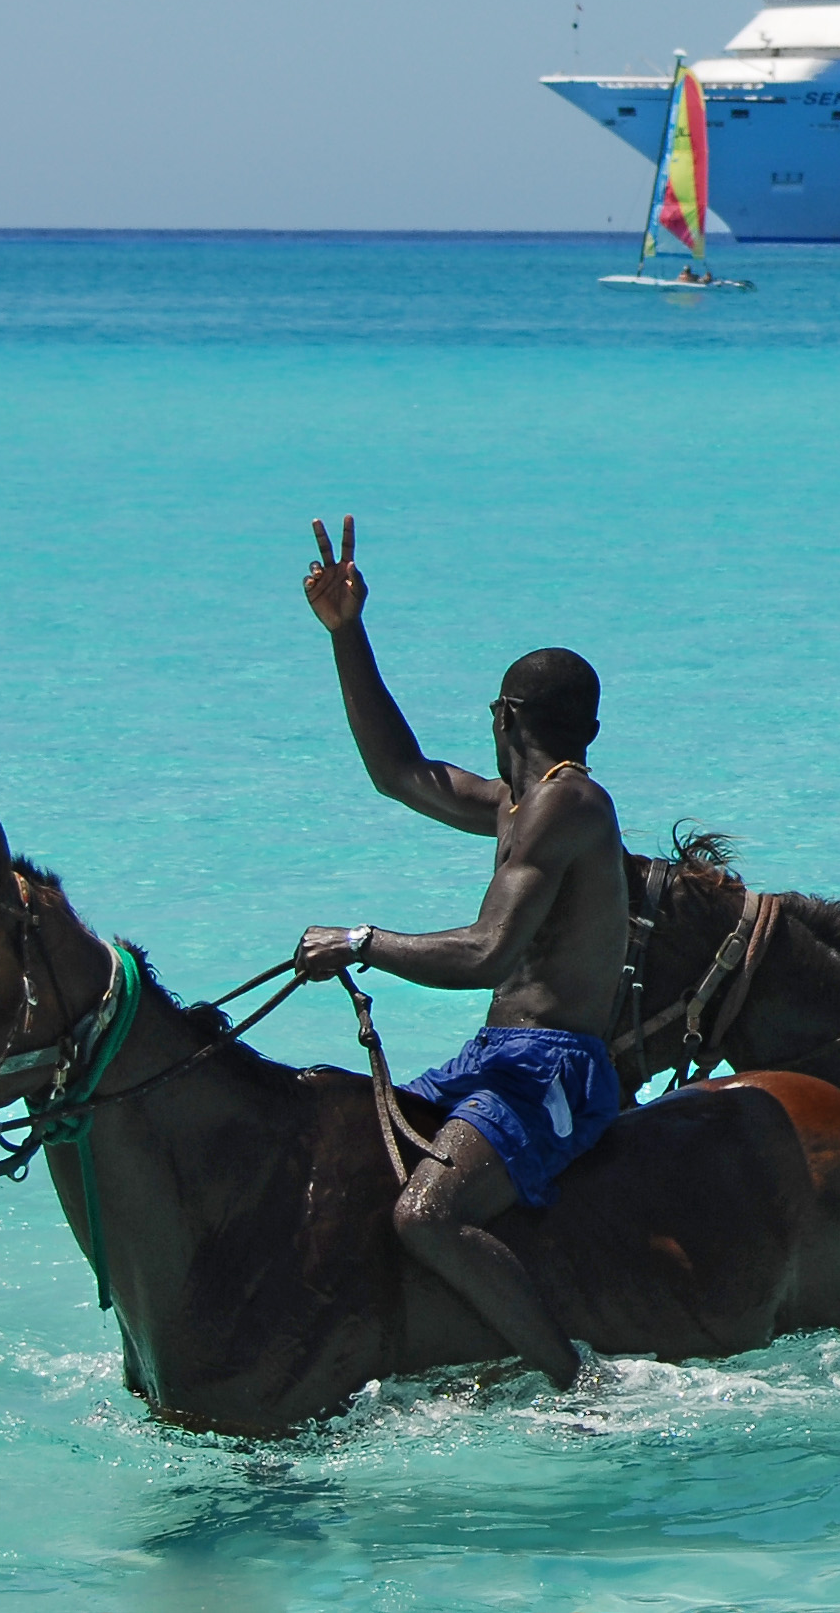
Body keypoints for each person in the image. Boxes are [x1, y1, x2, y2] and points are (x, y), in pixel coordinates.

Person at [289, 516, 636, 1388]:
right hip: (495, 1057)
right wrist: (347, 633)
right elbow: (399, 771)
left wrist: (362, 942)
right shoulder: (517, 803)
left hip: (555, 1070)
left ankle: (573, 1385)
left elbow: (486, 953)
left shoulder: (569, 805)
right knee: (367, 1164)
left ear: (504, 716)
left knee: (427, 1217)